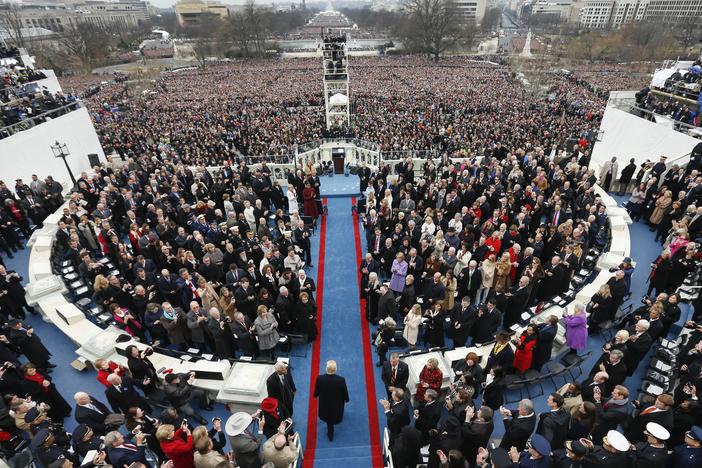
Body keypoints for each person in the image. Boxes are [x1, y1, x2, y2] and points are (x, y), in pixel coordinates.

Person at [313, 360, 349, 441]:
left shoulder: (320, 378)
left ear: (326, 368)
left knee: (328, 419)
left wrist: (316, 395)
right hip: (337, 404)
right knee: (334, 415)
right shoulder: (341, 380)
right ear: (335, 369)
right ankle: (331, 432)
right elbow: (344, 392)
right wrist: (346, 399)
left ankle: (330, 434)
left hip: (325, 403)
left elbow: (316, 392)